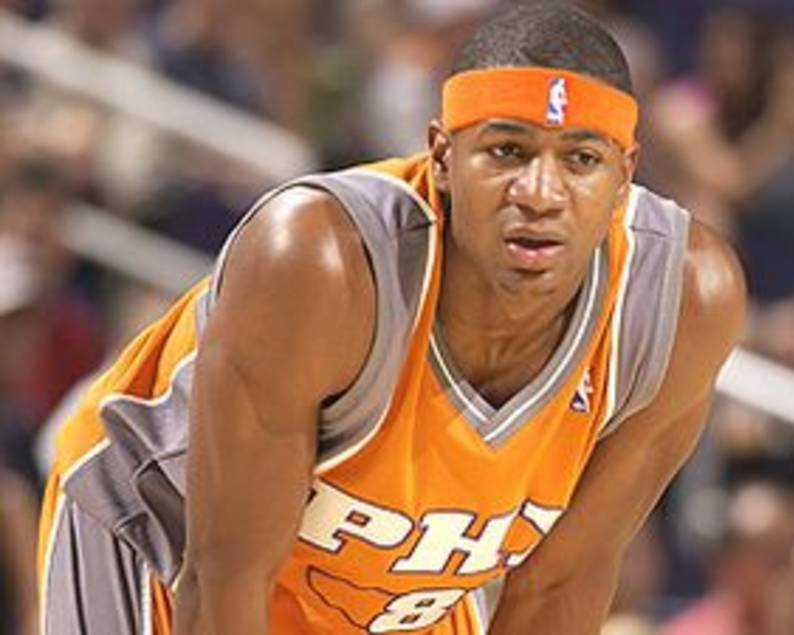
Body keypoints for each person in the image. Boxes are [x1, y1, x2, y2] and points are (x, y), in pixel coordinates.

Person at [37, 2, 746, 634]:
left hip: (399, 593)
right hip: (166, 540)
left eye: (581, 160)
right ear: (441, 157)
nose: (539, 192)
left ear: (624, 177)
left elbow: (561, 582)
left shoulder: (683, 302)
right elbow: (225, 580)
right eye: (506, 151)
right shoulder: (319, 263)